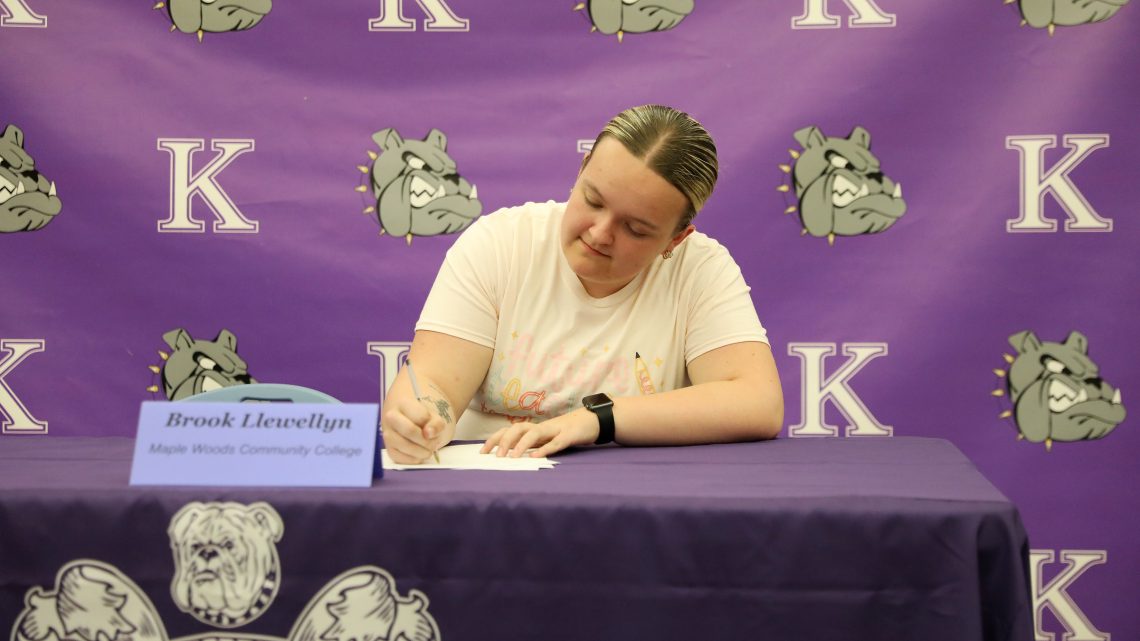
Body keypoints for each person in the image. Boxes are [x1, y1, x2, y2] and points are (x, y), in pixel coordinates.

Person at [381, 104, 783, 464]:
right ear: (582, 169)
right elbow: (433, 383)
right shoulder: (501, 243)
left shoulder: (700, 268)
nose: (600, 233)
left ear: (675, 239)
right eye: (594, 200)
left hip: (634, 500)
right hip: (490, 490)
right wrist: (420, 420)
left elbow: (757, 403)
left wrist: (597, 420)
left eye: (636, 228)